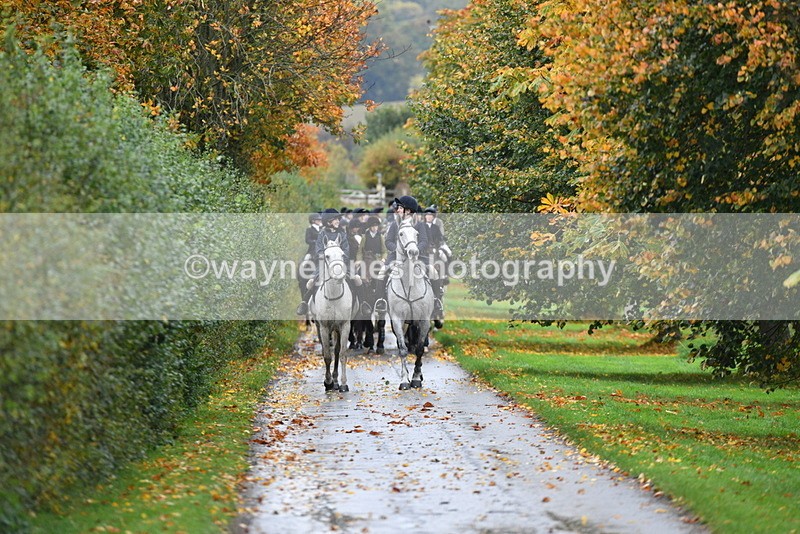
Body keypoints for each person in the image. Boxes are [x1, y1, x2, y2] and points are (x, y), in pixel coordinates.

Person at [374, 195, 442, 318]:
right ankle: (380, 301)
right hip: (396, 257)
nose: (398, 210)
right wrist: (397, 250)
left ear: (408, 210)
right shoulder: (395, 224)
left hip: (418, 256)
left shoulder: (419, 224)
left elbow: (424, 241)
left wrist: (416, 250)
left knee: (433, 271)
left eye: (400, 208)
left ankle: (436, 300)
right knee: (382, 271)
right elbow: (388, 241)